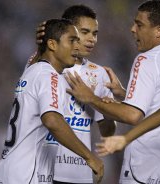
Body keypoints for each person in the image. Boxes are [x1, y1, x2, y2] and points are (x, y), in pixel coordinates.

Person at [65, 0, 160, 183]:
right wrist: (124, 93)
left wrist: (91, 98)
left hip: (146, 164)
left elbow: (132, 116)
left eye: (139, 25)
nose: (133, 29)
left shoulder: (147, 59)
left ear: (158, 30)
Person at [0, 19, 103, 184]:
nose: (77, 46)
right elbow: (52, 120)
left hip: (10, 170)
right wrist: (89, 157)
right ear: (52, 44)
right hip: (27, 174)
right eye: (72, 40)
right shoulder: (48, 75)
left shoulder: (32, 70)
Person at [35, 5, 116, 184]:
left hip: (81, 174)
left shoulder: (100, 74)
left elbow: (107, 133)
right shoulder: (46, 66)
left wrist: (104, 108)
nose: (91, 39)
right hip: (44, 171)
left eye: (95, 33)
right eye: (85, 32)